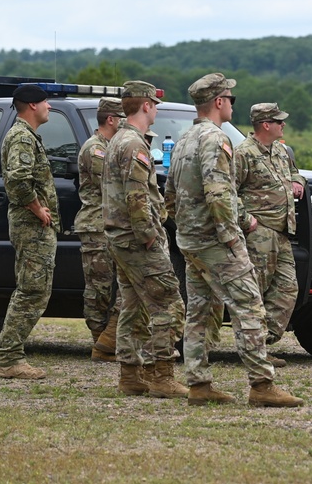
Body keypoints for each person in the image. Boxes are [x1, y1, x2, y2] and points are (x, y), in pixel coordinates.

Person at [165, 73, 302, 407]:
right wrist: (234, 232)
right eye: (230, 99)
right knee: (250, 307)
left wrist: (186, 229)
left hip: (191, 239)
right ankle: (261, 384)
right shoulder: (216, 139)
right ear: (219, 102)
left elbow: (170, 193)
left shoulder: (185, 139)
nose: (231, 105)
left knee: (199, 310)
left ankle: (198, 384)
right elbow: (220, 193)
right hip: (216, 239)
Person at [103, 80, 187, 398]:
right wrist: (150, 236)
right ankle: (161, 375)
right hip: (137, 240)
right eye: (155, 106)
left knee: (134, 306)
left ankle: (130, 375)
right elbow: (137, 197)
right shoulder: (134, 145)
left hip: (121, 237)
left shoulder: (120, 139)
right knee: (169, 303)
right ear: (147, 106)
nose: (156, 112)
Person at [233, 103, 305, 367]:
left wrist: (298, 181)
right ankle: (251, 351)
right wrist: (245, 220)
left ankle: (261, 343)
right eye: (279, 121)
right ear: (266, 124)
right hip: (258, 233)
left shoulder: (282, 150)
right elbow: (228, 190)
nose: (283, 124)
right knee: (256, 292)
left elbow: (294, 173)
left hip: (283, 232)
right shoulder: (243, 154)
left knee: (287, 289)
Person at [0, 84, 60, 380]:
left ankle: (12, 355)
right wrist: (38, 209)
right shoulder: (22, 136)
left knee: (36, 289)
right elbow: (18, 179)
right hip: (30, 225)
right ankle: (10, 359)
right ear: (32, 105)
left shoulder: (27, 135)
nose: (49, 106)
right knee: (31, 290)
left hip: (35, 226)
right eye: (46, 102)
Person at [75, 97, 125, 362]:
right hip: (96, 226)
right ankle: (99, 342)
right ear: (111, 120)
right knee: (99, 288)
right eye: (123, 119)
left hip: (112, 226)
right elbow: (111, 182)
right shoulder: (96, 149)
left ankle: (111, 339)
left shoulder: (111, 147)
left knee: (119, 286)